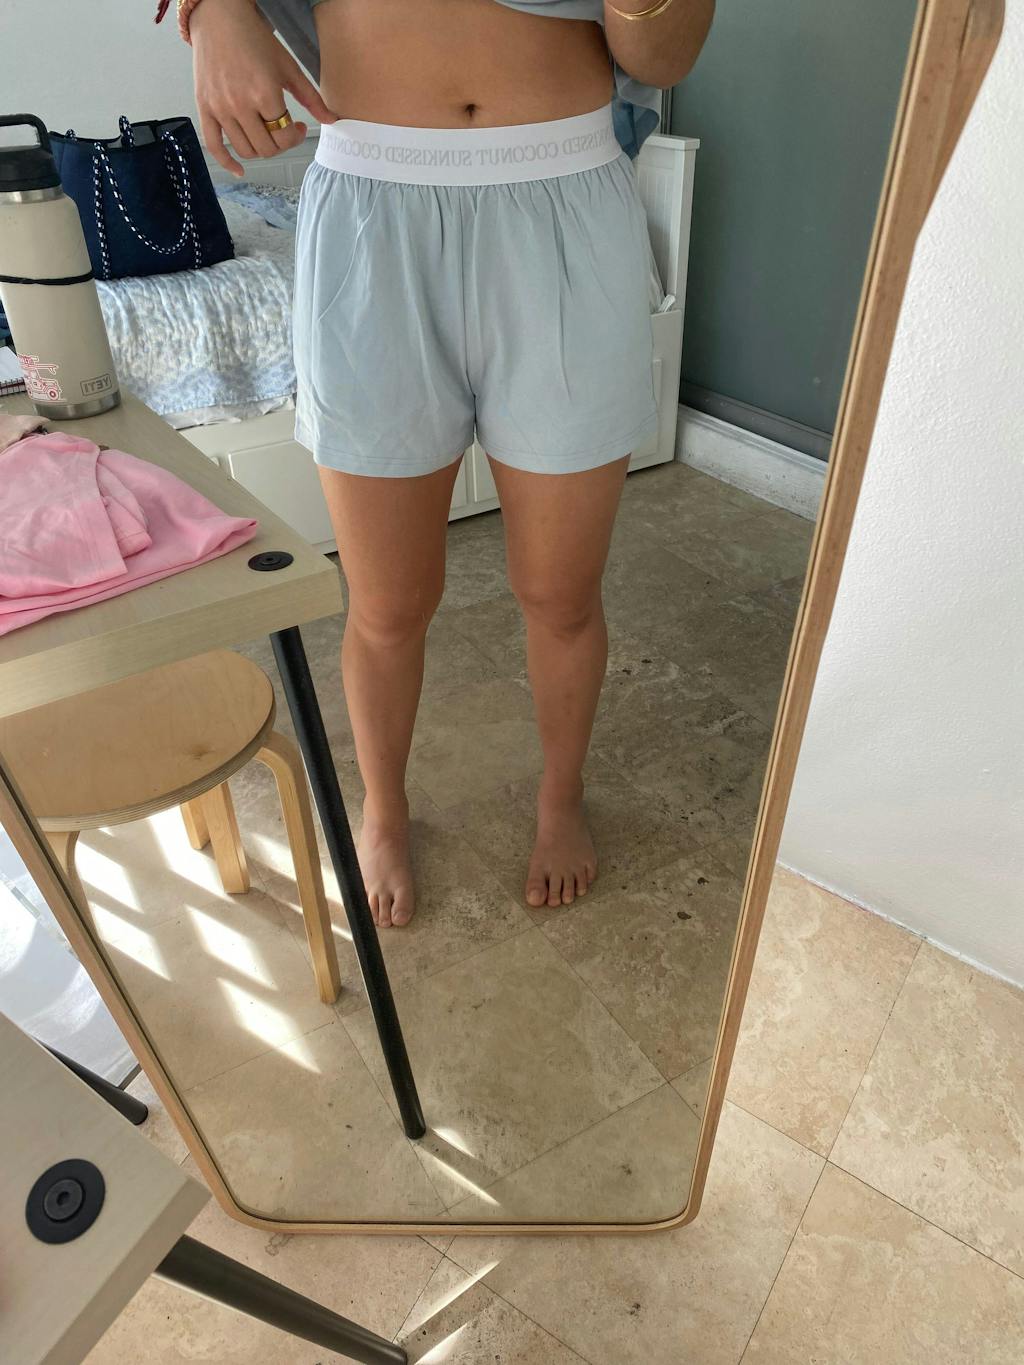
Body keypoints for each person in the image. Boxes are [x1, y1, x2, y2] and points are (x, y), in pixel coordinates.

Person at [168, 0, 713, 926]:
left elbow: (663, 56)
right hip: (373, 206)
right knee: (386, 604)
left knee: (562, 595)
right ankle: (384, 808)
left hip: (567, 193)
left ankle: (562, 796)